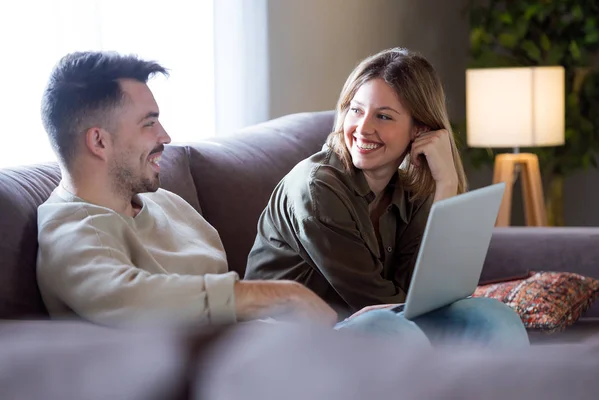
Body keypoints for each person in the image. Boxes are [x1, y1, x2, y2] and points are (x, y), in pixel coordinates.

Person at [244, 47, 529, 347]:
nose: (363, 128)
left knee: (495, 317)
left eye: (383, 116)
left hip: (374, 321)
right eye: (356, 110)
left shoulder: (411, 188)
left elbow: (426, 292)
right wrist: (426, 307)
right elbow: (378, 302)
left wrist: (446, 183)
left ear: (419, 130)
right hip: (289, 338)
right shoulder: (317, 188)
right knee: (393, 331)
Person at [36, 51, 338, 328]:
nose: (165, 136)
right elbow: (131, 297)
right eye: (148, 124)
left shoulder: (166, 202)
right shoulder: (70, 231)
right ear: (99, 141)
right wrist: (281, 295)